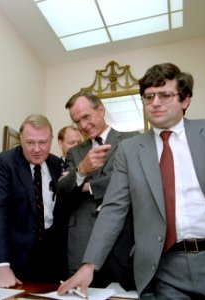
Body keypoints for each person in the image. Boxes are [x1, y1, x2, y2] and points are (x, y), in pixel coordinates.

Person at [58, 63, 205, 299]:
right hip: (164, 268)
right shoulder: (131, 150)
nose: (156, 103)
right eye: (149, 97)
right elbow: (114, 208)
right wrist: (89, 265)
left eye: (165, 95)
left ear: (185, 100)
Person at [56, 91, 138, 289]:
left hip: (123, 243)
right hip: (83, 245)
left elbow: (129, 180)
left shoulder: (132, 140)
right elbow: (62, 191)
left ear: (100, 110)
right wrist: (82, 169)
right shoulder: (75, 153)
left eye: (86, 117)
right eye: (77, 121)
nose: (83, 126)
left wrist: (89, 186)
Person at [0, 114, 64, 287]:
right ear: (21, 139)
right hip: (13, 262)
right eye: (30, 142)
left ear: (51, 140)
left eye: (43, 142)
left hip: (51, 264)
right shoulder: (4, 163)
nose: (37, 149)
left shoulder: (57, 164)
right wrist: (2, 266)